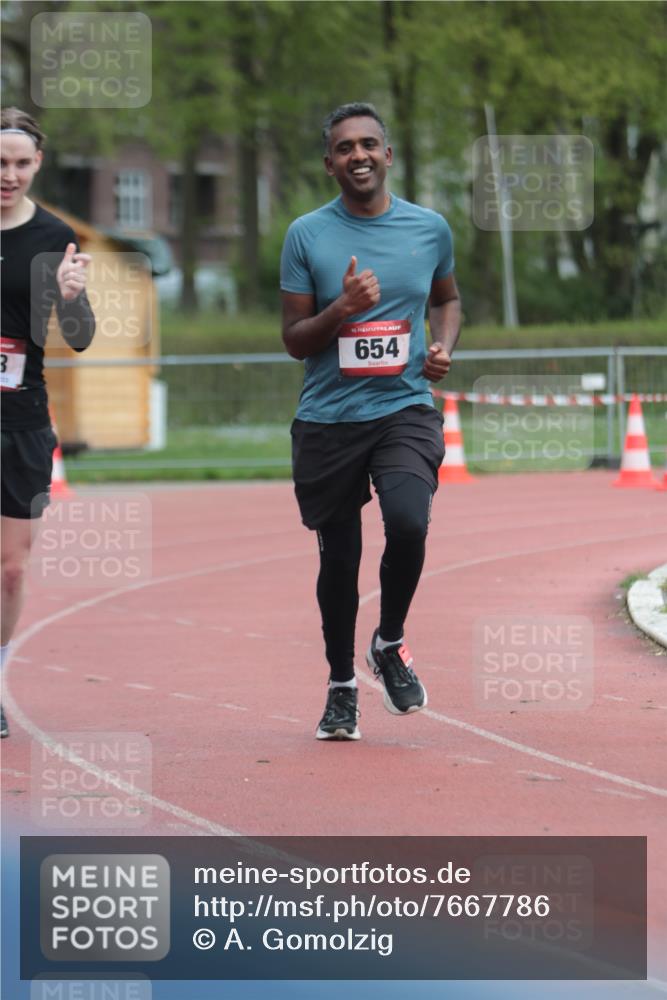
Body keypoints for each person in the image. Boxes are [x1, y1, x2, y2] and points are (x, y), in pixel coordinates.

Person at [280, 102, 461, 741]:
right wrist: (343, 309)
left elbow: (447, 298)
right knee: (340, 560)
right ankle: (340, 685)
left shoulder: (430, 227)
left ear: (388, 154)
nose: (358, 155)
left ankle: (389, 641)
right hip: (329, 419)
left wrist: (442, 347)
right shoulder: (307, 234)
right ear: (329, 162)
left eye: (369, 144)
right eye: (344, 147)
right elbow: (296, 340)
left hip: (404, 407)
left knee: (410, 520)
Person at [1, 108, 96, 738]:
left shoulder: (55, 238)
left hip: (19, 420)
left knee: (9, 567)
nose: (8, 175)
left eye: (20, 164)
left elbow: (81, 338)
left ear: (37, 166)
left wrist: (70, 296)